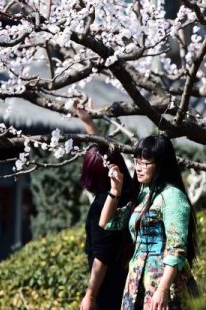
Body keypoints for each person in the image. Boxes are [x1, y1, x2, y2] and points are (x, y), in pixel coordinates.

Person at [99, 134, 199, 310]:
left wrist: (163, 289)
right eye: (136, 161)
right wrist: (115, 190)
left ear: (161, 164)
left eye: (145, 163)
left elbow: (177, 250)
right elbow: (107, 222)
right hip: (136, 281)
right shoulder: (143, 194)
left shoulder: (173, 197)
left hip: (164, 283)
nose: (138, 167)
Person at [76, 102, 140, 310]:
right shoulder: (127, 187)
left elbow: (101, 256)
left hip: (109, 288)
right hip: (127, 279)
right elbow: (106, 155)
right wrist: (88, 123)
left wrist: (90, 295)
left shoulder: (103, 205)